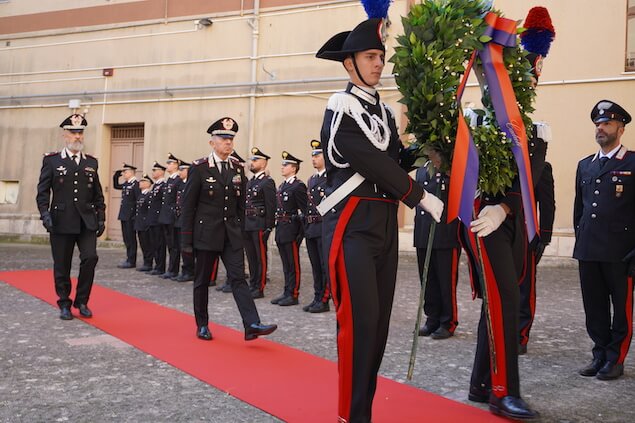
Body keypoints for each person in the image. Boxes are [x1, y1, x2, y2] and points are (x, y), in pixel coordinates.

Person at [316, 18, 444, 422]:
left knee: (379, 329)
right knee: (359, 326)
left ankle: (362, 412)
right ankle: (351, 416)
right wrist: (420, 196)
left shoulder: (385, 113)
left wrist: (431, 141)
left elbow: (395, 159)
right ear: (349, 63)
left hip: (385, 223)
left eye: (380, 56)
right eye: (370, 57)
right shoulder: (341, 106)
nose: (378, 64)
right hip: (353, 223)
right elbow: (366, 159)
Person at [180, 117, 277, 341]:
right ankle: (202, 324)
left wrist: (241, 230)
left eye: (231, 139)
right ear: (212, 142)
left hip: (231, 234)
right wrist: (186, 240)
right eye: (223, 139)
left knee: (238, 278)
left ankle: (252, 324)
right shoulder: (200, 168)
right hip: (206, 234)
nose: (228, 143)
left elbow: (242, 204)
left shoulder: (236, 168)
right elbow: (188, 207)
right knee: (202, 280)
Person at [574, 100, 634, 381]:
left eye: (607, 123)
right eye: (598, 124)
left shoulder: (632, 162)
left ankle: (615, 358)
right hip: (589, 248)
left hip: (620, 252)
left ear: (620, 129)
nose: (600, 128)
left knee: (620, 310)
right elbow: (579, 209)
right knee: (594, 307)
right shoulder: (585, 165)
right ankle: (599, 354)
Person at [36, 114, 106, 320]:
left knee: (90, 257)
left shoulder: (91, 162)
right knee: (62, 264)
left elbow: (98, 193)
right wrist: (45, 215)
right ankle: (64, 302)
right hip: (61, 220)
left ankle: (82, 300)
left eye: (80, 132)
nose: (77, 136)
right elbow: (42, 192)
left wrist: (101, 217)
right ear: (64, 135)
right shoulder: (52, 160)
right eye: (73, 132)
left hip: (86, 220)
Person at [414, 151, 461, 340]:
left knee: (445, 281)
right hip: (423, 231)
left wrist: (447, 168)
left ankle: (448, 321)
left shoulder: (449, 164)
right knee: (427, 279)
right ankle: (432, 318)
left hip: (444, 231)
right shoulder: (421, 166)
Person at [518, 121, 555, 354]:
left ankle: (521, 335)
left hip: (527, 234)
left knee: (525, 287)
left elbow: (547, 203)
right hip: (503, 231)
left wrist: (545, 237)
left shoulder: (540, 167)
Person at [271, 151, 308, 307]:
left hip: (291, 229)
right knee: (285, 264)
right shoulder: (283, 186)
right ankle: (286, 291)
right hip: (281, 228)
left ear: (293, 168)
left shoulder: (298, 186)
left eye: (285, 165)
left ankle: (293, 294)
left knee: (293, 264)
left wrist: (300, 233)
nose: (282, 167)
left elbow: (304, 211)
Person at [243, 147, 276, 298]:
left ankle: (260, 287)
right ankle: (253, 283)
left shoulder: (267, 182)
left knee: (260, 257)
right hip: (248, 223)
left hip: (260, 223)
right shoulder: (251, 182)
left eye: (256, 160)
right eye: (252, 160)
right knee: (251, 256)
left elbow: (271, 205)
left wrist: (269, 226)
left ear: (263, 163)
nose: (252, 162)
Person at [303, 139, 330, 313]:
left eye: (317, 155)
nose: (313, 159)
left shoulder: (331, 178)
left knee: (323, 265)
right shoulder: (311, 179)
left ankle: (325, 299)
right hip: (311, 227)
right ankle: (317, 296)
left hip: (324, 227)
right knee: (314, 265)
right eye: (312, 155)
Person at [158, 153, 182, 280]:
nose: (167, 165)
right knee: (169, 244)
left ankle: (173, 269)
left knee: (174, 245)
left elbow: (177, 200)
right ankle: (170, 268)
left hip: (172, 216)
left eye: (170, 163)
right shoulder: (169, 180)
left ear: (176, 165)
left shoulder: (178, 180)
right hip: (165, 216)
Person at [112, 163, 139, 269]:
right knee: (126, 238)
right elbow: (116, 186)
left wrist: (135, 215)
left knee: (131, 239)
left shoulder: (135, 184)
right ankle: (128, 258)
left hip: (131, 216)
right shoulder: (127, 184)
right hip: (124, 215)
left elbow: (138, 200)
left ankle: (132, 260)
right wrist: (116, 175)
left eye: (125, 172)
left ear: (131, 173)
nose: (124, 174)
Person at [173, 161, 194, 282]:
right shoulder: (179, 184)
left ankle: (189, 270)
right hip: (179, 219)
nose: (180, 172)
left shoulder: (191, 184)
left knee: (187, 247)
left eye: (182, 170)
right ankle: (184, 270)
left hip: (187, 220)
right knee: (180, 246)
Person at [147, 161, 167, 275]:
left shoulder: (163, 185)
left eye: (155, 170)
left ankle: (160, 266)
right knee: (154, 243)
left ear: (161, 172)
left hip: (158, 219)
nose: (153, 172)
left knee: (160, 244)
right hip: (153, 218)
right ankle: (157, 265)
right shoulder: (156, 185)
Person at [134, 174, 155, 272]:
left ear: (148, 184)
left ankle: (148, 263)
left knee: (148, 244)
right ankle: (145, 262)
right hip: (139, 223)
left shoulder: (149, 195)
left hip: (145, 224)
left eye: (143, 181)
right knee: (143, 244)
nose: (140, 183)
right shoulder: (141, 194)